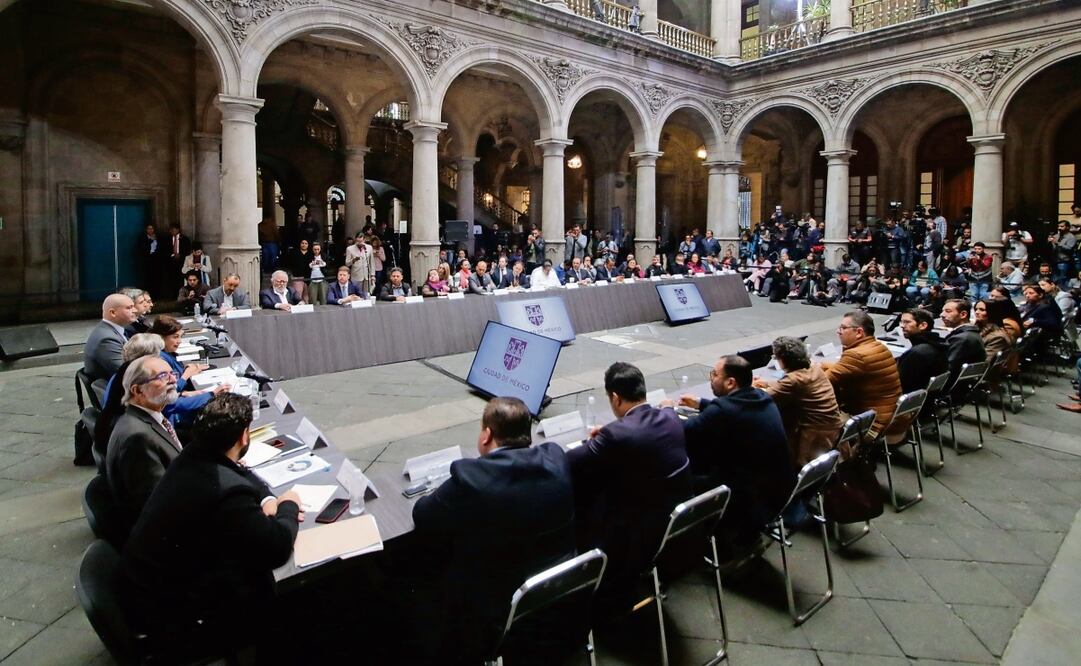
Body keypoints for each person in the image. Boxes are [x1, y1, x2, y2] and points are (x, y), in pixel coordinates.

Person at [121, 394, 301, 660]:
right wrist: (288, 506)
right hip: (184, 615)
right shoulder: (227, 492)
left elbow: (238, 469)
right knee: (293, 598)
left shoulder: (192, 456)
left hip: (150, 589)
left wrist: (266, 497)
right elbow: (277, 548)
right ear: (243, 437)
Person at [411, 397, 576, 662]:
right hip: (562, 599)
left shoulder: (471, 478)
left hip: (496, 614)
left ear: (486, 435)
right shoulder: (556, 458)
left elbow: (424, 515)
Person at [567, 363, 691, 586]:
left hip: (633, 535)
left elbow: (571, 461)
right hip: (673, 527)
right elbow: (666, 409)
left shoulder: (616, 435)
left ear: (615, 398)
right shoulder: (671, 419)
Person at [670, 355, 793, 562]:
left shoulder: (722, 411)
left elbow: (683, 431)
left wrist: (665, 410)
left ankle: (687, 543)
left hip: (750, 500)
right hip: (780, 493)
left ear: (730, 382)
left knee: (680, 474)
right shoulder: (762, 397)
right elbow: (733, 408)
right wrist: (701, 403)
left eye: (715, 374)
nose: (711, 378)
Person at [106, 355, 182, 528]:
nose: (172, 380)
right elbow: (159, 503)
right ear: (137, 390)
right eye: (162, 376)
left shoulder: (146, 417)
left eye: (172, 374)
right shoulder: (137, 437)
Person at [752, 337, 844, 466]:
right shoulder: (813, 368)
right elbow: (789, 386)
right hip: (834, 430)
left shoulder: (793, 380)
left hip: (816, 439)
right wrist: (766, 383)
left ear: (783, 360)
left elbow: (763, 398)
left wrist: (751, 387)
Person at [821, 311, 903, 438]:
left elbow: (821, 383)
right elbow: (846, 368)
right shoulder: (878, 347)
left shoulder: (856, 355)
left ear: (859, 332)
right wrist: (822, 365)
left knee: (811, 419)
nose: (838, 331)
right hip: (889, 417)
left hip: (870, 425)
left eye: (843, 328)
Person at [149, 316, 226, 429]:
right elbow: (170, 398)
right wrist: (186, 375)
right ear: (161, 338)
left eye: (180, 336)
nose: (179, 341)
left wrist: (187, 375)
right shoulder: (160, 360)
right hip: (176, 418)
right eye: (175, 337)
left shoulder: (168, 353)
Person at [85, 293, 138, 382]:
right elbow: (127, 372)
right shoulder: (106, 339)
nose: (135, 310)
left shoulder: (112, 330)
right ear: (113, 313)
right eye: (129, 308)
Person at [896, 308, 949, 394]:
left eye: (907, 322)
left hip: (908, 401)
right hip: (925, 400)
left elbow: (899, 383)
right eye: (901, 322)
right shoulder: (938, 345)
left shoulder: (917, 353)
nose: (902, 325)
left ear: (923, 325)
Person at [941, 298, 987, 384]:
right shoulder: (970, 333)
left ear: (963, 314)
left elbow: (947, 368)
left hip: (953, 387)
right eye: (943, 311)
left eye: (948, 311)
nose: (942, 315)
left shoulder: (962, 339)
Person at [974, 299, 1014, 365]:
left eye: (982, 310)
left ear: (992, 312)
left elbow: (984, 362)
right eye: (976, 309)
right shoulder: (978, 327)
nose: (977, 312)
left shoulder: (998, 337)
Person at [1049, 220, 1077, 285]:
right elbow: (1051, 248)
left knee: (1062, 279)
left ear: (1067, 227)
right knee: (1054, 279)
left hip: (1064, 261)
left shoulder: (1071, 237)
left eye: (1062, 226)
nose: (1059, 228)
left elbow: (1069, 249)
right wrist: (1049, 242)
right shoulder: (1056, 235)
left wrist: (1058, 243)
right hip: (1054, 261)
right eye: (1058, 226)